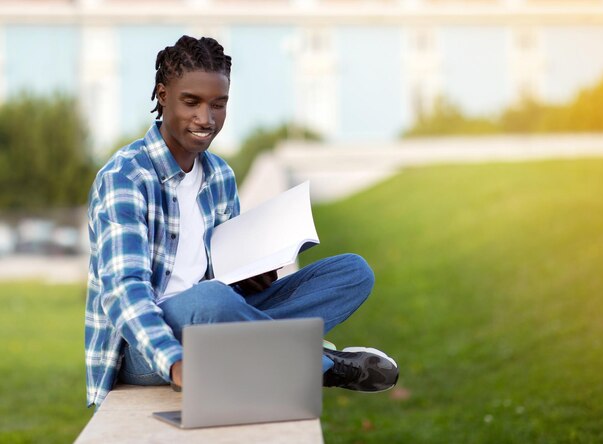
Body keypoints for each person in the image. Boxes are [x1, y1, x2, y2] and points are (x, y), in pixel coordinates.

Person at [84, 35, 398, 408]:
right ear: (163, 95)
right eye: (192, 102)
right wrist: (175, 363)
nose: (206, 118)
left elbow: (222, 273)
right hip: (148, 347)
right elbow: (123, 291)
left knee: (352, 272)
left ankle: (262, 354)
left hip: (218, 327)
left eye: (219, 104)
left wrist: (250, 276)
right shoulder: (126, 176)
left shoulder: (219, 175)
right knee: (211, 299)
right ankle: (325, 366)